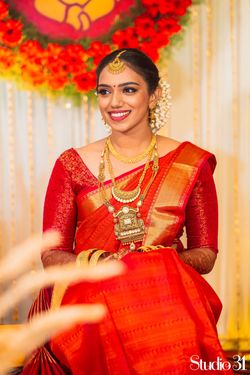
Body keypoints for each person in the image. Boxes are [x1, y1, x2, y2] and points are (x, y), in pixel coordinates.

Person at [22, 48, 232, 374]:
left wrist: (148, 264)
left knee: (171, 323)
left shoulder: (190, 163)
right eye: (105, 92)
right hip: (88, 296)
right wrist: (103, 265)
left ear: (154, 96)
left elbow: (205, 253)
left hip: (164, 299)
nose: (114, 102)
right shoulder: (71, 164)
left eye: (129, 90)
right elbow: (52, 255)